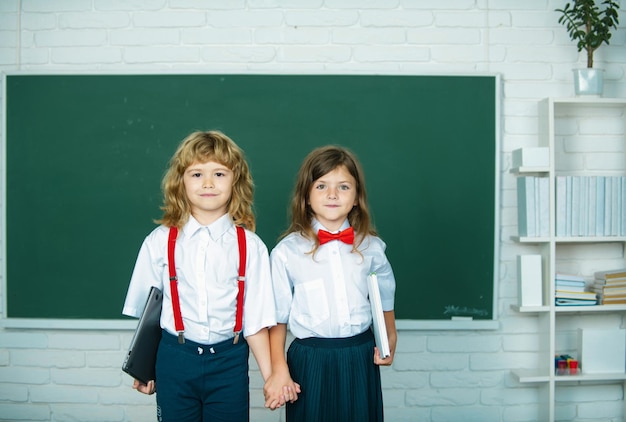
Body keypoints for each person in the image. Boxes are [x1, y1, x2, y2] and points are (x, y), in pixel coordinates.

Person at [122, 130, 285, 421]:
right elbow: (150, 313)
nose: (208, 183)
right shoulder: (159, 241)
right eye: (196, 174)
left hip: (229, 362)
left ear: (236, 181)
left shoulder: (251, 247)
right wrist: (144, 367)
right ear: (180, 182)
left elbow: (256, 321)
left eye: (220, 174)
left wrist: (272, 377)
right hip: (174, 359)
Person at [265, 145, 397, 421]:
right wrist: (279, 368)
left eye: (344, 187)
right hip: (309, 357)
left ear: (357, 197)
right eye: (322, 185)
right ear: (307, 196)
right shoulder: (286, 252)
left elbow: (385, 294)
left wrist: (390, 336)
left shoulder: (371, 247)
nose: (333, 194)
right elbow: (277, 317)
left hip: (359, 354)